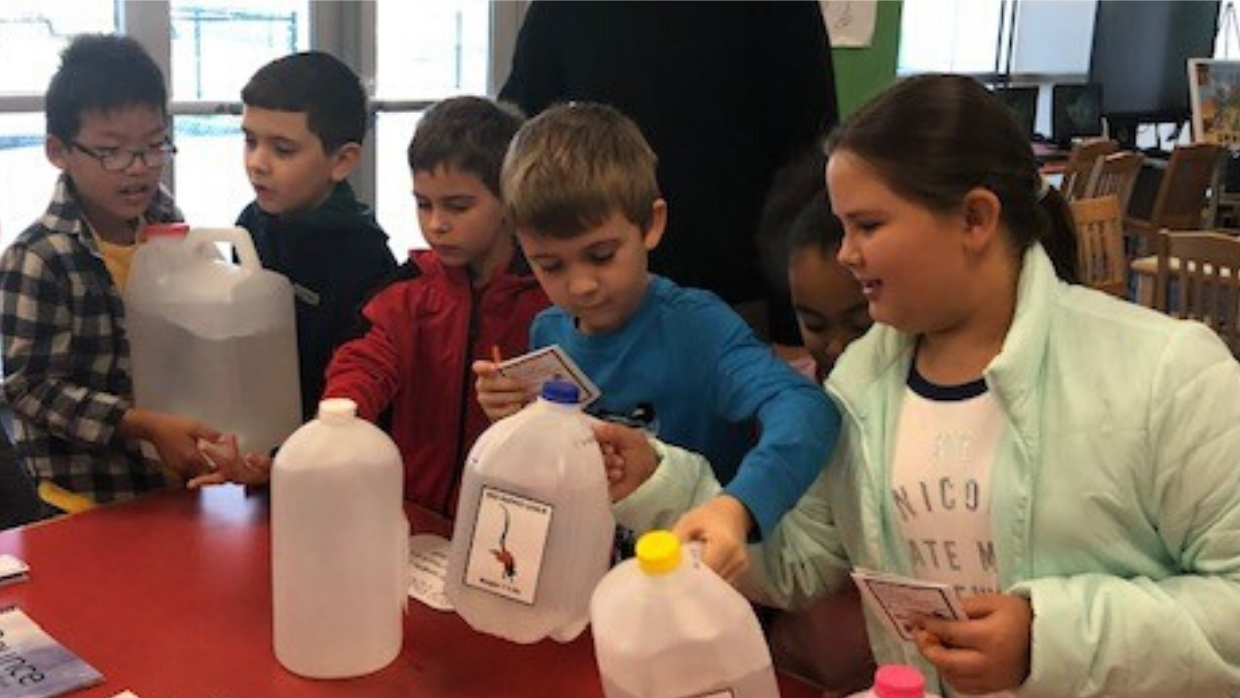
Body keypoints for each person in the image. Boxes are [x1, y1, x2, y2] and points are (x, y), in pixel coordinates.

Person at [614, 74, 1240, 697]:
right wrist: (663, 486)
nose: (847, 255)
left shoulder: (1168, 375)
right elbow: (802, 559)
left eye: (868, 226)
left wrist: (1049, 638)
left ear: (974, 218)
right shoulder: (861, 388)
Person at [474, 102, 839, 561]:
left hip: (698, 582)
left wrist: (736, 507)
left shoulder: (698, 328)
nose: (582, 285)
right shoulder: (547, 330)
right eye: (549, 265)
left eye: (602, 255)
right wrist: (518, 415)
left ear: (652, 224)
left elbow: (807, 409)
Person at [499, 0, 838, 343]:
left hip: (736, 296)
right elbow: (518, 131)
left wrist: (791, 323)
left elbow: (808, 157)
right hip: (589, 291)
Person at [0, 34, 240, 511]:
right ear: (58, 151)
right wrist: (142, 423)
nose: (139, 168)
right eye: (112, 152)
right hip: (78, 497)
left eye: (154, 147)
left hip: (168, 482)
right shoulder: (39, 258)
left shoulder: (169, 229)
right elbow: (30, 388)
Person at [322, 96, 547, 517]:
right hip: (412, 514)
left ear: (510, 200)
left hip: (509, 522)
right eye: (423, 204)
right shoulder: (405, 290)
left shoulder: (548, 300)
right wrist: (344, 412)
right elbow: (364, 361)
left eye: (457, 206)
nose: (436, 224)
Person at [237, 51, 397, 423]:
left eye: (282, 149)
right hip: (256, 427)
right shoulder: (251, 223)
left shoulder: (365, 259)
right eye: (250, 141)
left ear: (342, 161)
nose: (257, 162)